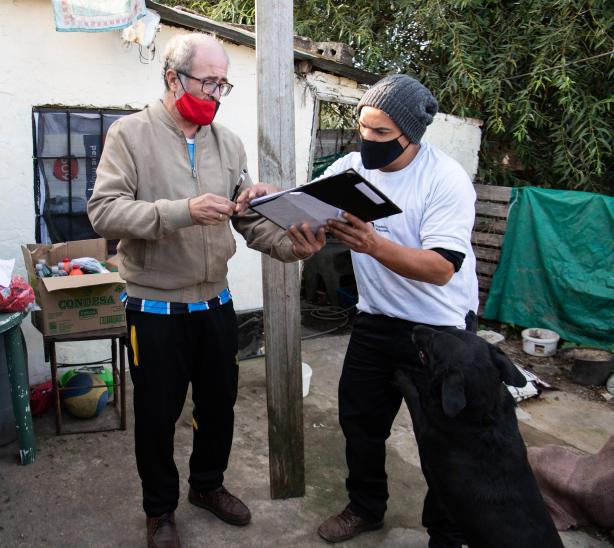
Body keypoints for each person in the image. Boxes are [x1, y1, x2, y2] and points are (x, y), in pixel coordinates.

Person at [87, 33, 325, 548]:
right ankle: (159, 511)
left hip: (216, 304)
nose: (216, 94)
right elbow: (103, 211)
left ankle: (207, 487)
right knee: (156, 416)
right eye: (208, 81)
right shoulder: (129, 135)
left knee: (218, 407)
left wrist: (293, 248)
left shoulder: (228, 142)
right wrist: (182, 212)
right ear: (173, 78)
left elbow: (251, 223)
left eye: (224, 84)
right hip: (154, 308)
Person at [314, 74, 479, 547]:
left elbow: (441, 267)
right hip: (376, 322)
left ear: (411, 134)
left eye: (381, 133)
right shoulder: (351, 169)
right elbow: (307, 202)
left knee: (442, 439)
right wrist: (275, 198)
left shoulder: (445, 179)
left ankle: (445, 533)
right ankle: (365, 507)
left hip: (440, 332)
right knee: (360, 423)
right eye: (362, 128)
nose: (367, 140)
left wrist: (373, 244)